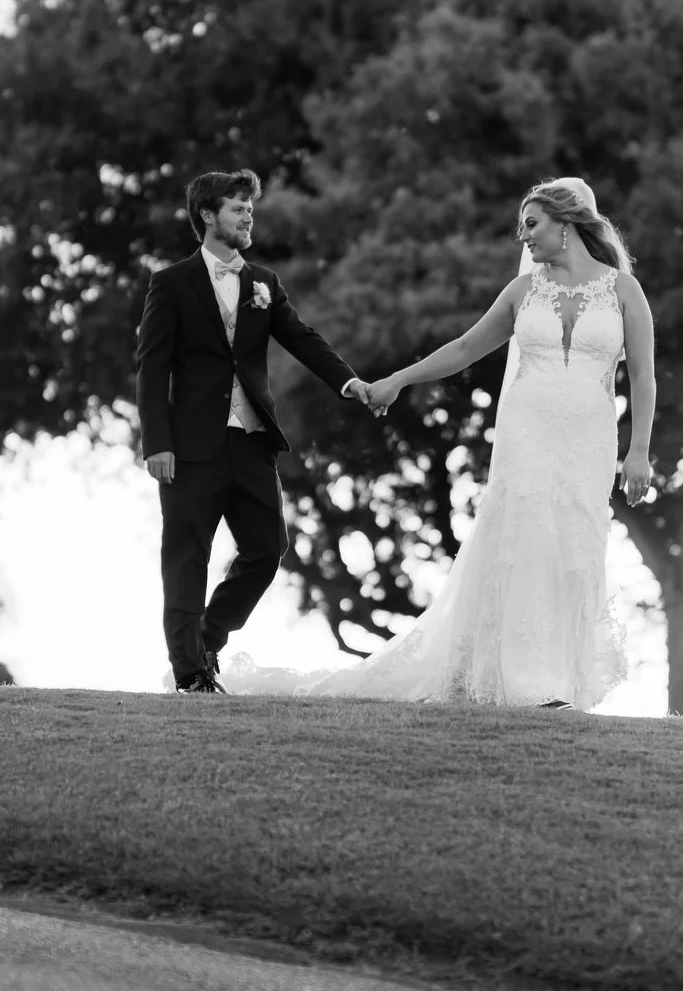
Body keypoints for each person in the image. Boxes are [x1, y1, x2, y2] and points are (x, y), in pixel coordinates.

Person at [225, 176, 655, 709]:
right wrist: (399, 379)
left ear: (566, 223)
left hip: (589, 440)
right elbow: (465, 348)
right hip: (526, 433)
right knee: (527, 539)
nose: (523, 236)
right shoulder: (523, 291)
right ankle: (530, 684)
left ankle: (562, 679)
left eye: (532, 224)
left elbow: (643, 376)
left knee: (574, 547)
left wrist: (639, 451)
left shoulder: (622, 290)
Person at [136, 170, 374, 694]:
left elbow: (302, 338)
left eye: (250, 209)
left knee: (267, 548)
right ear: (208, 215)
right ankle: (191, 674)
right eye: (238, 208)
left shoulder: (264, 282)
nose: (248, 217)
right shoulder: (171, 283)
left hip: (250, 440)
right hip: (188, 447)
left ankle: (206, 638)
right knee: (186, 558)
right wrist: (157, 443)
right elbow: (151, 368)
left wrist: (348, 382)